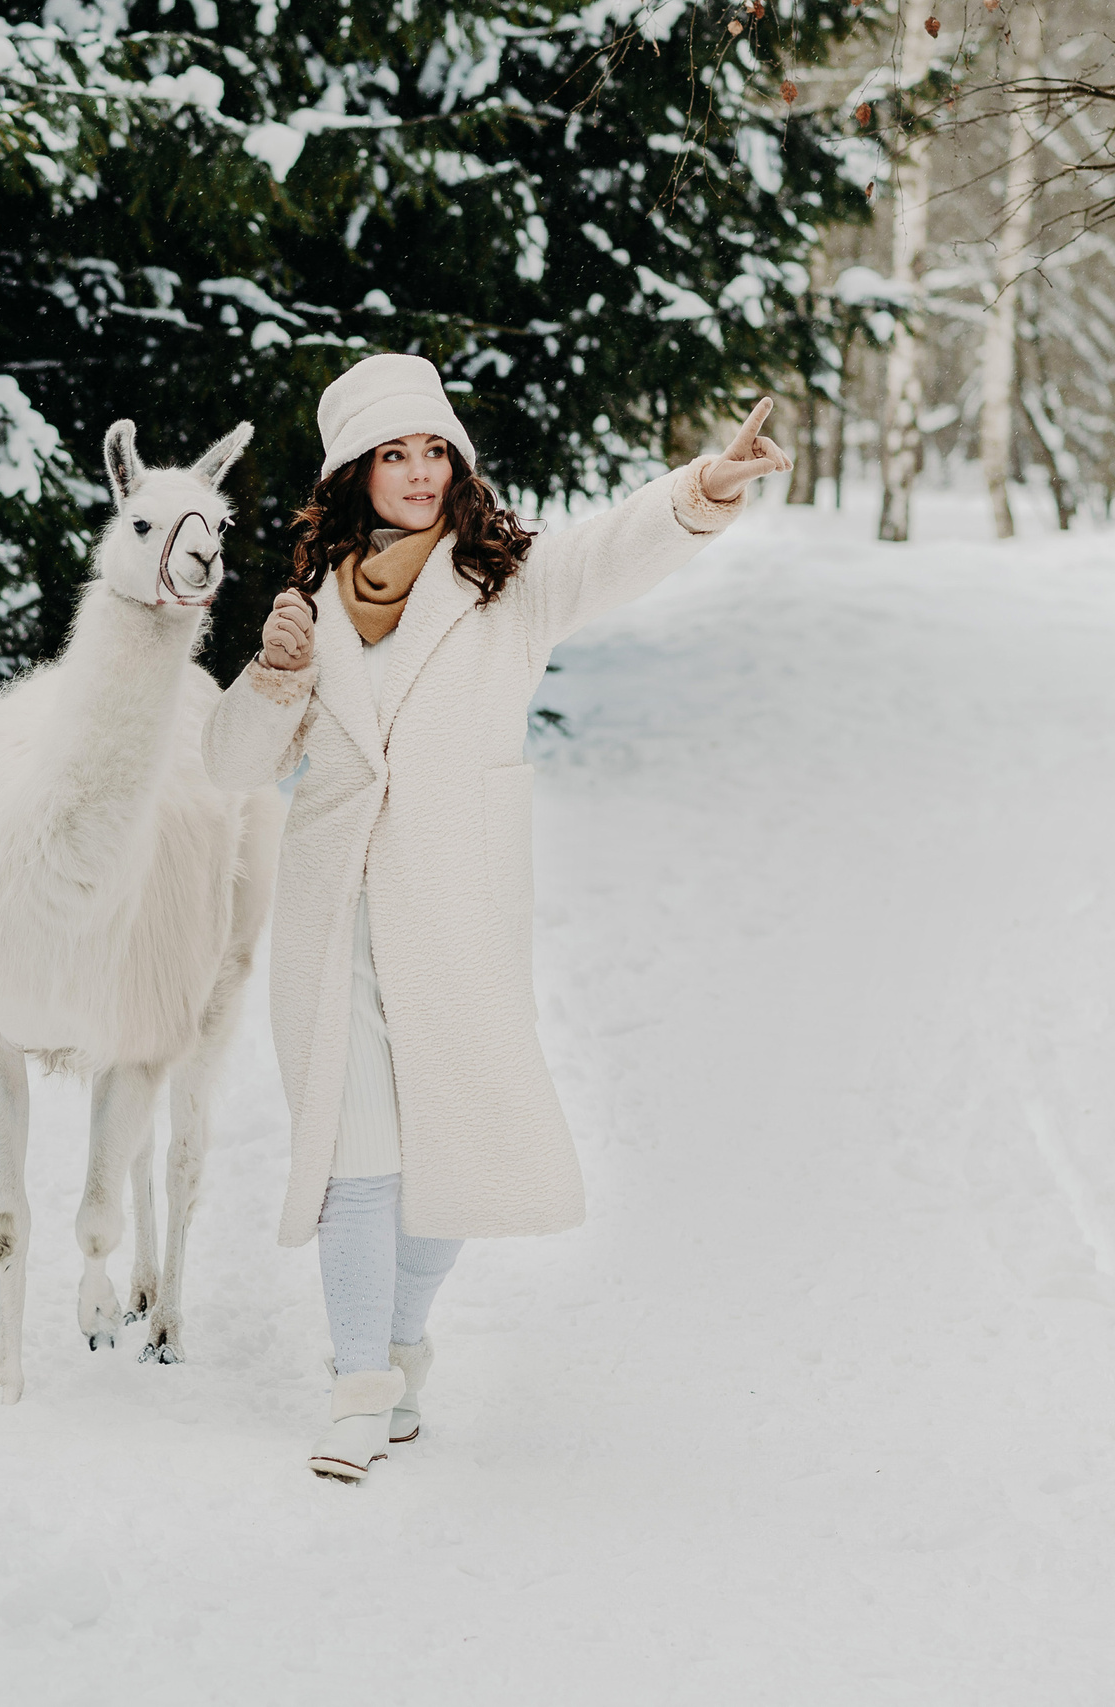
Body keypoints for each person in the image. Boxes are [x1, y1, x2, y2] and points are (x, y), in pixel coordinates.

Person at [200, 352, 789, 1481]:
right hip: (333, 919)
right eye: (394, 454)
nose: (420, 473)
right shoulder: (310, 608)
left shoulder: (504, 584)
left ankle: (400, 1342)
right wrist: (271, 676)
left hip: (455, 909)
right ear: (355, 472)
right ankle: (357, 1387)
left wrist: (702, 489)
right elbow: (231, 767)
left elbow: (612, 550)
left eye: (435, 450)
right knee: (355, 1158)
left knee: (453, 1155)